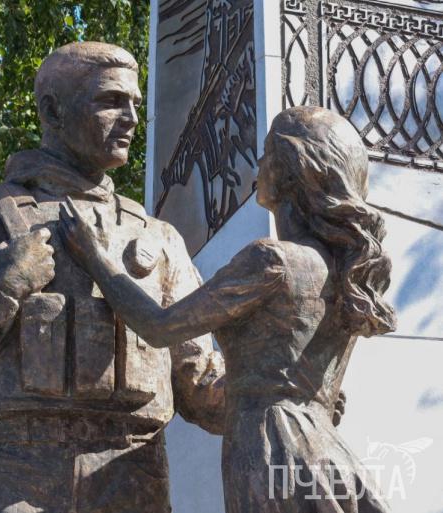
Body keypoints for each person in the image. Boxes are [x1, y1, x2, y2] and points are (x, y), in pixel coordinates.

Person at [0, 41, 224, 513]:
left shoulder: (160, 239)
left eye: (135, 103)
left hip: (134, 482)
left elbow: (202, 389)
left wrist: (288, 379)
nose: (131, 118)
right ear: (53, 110)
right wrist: (4, 290)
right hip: (16, 480)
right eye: (111, 101)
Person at [59, 106, 396, 512]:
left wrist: (94, 256)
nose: (258, 164)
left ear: (291, 170)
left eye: (267, 153)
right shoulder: (348, 272)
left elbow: (158, 327)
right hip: (323, 448)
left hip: (272, 446)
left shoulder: (271, 261)